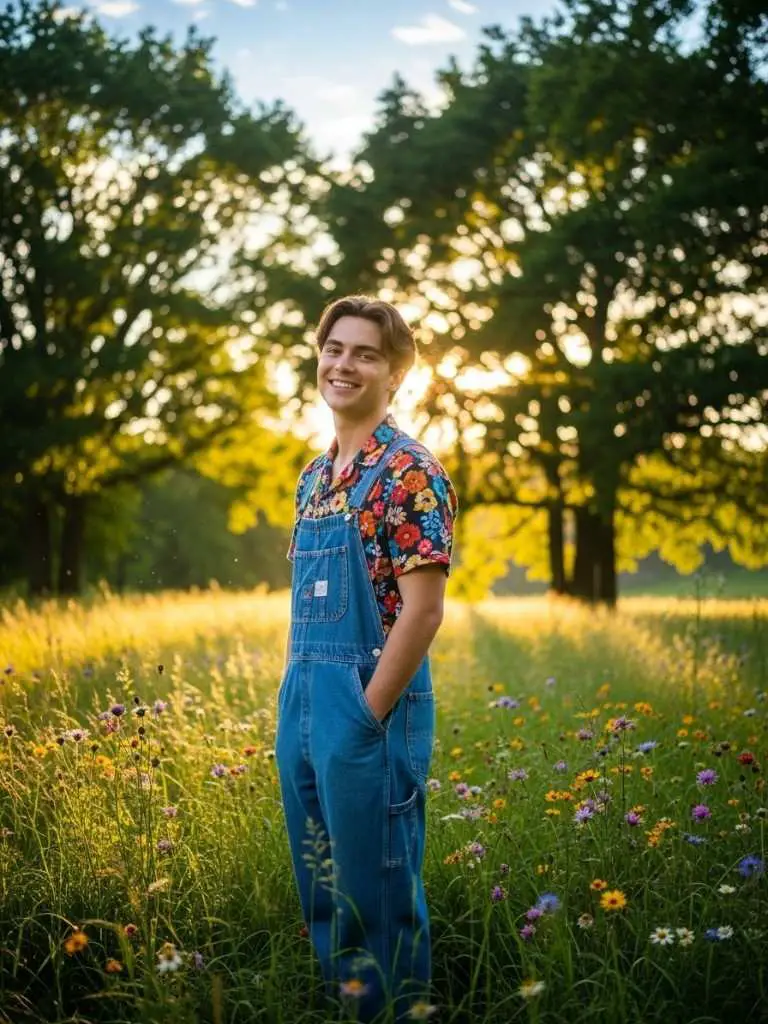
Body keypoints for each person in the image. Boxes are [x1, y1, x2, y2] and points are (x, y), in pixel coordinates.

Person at [275, 295, 458, 1022]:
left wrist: (364, 713)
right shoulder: (314, 478)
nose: (343, 364)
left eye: (365, 353)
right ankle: (341, 1011)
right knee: (322, 891)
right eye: (334, 349)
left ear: (396, 375)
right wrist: (298, 702)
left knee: (376, 896)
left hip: (367, 708)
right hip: (304, 702)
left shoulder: (410, 472)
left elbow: (424, 609)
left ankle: (394, 1014)